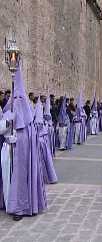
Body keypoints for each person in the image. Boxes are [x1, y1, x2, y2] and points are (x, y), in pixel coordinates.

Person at [2, 66, 47, 220]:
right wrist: (8, 130)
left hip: (22, 159)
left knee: (20, 178)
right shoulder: (9, 112)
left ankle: (20, 206)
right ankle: (8, 202)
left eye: (20, 99)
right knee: (8, 178)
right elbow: (3, 129)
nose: (17, 102)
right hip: (8, 152)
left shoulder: (29, 126)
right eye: (15, 99)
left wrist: (19, 141)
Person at [34, 98, 58, 184]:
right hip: (40, 141)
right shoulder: (37, 121)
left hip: (42, 141)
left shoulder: (44, 120)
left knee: (44, 160)